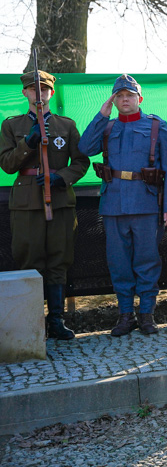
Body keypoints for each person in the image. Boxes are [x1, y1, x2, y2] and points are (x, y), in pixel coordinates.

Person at [78, 75, 167, 336]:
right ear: (114, 100)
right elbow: (84, 147)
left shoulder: (157, 126)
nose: (125, 100)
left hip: (146, 204)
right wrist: (102, 115)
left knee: (147, 260)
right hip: (113, 205)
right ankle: (125, 315)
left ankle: (147, 314)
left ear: (139, 99)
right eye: (120, 96)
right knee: (118, 262)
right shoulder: (108, 126)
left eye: (129, 95)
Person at [0, 70, 89, 340]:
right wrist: (28, 143)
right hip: (27, 203)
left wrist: (60, 178)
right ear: (25, 93)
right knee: (30, 259)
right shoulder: (12, 126)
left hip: (60, 201)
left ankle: (56, 320)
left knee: (59, 259)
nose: (39, 93)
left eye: (44, 89)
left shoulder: (67, 125)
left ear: (51, 92)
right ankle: (33, 321)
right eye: (32, 89)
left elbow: (81, 163)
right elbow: (7, 164)